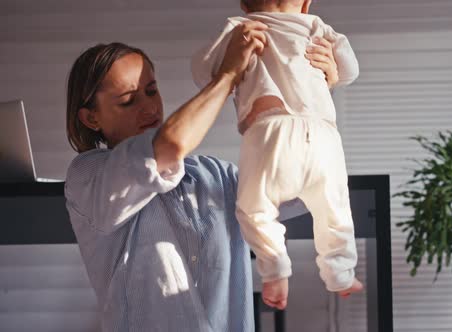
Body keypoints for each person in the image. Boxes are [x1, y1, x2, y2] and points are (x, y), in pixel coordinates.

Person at [63, 21, 338, 331]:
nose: (149, 108)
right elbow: (167, 146)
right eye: (128, 101)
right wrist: (227, 76)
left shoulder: (217, 175)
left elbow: (301, 185)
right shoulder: (88, 177)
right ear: (91, 117)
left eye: (151, 91)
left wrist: (315, 96)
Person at [191, 0, 363, 311]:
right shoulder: (317, 27)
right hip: (324, 136)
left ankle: (274, 270)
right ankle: (341, 274)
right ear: (307, 3)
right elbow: (351, 70)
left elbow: (202, 71)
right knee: (335, 212)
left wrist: (232, 56)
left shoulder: (241, 29)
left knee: (255, 209)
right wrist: (333, 72)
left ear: (245, 4)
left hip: (271, 130)